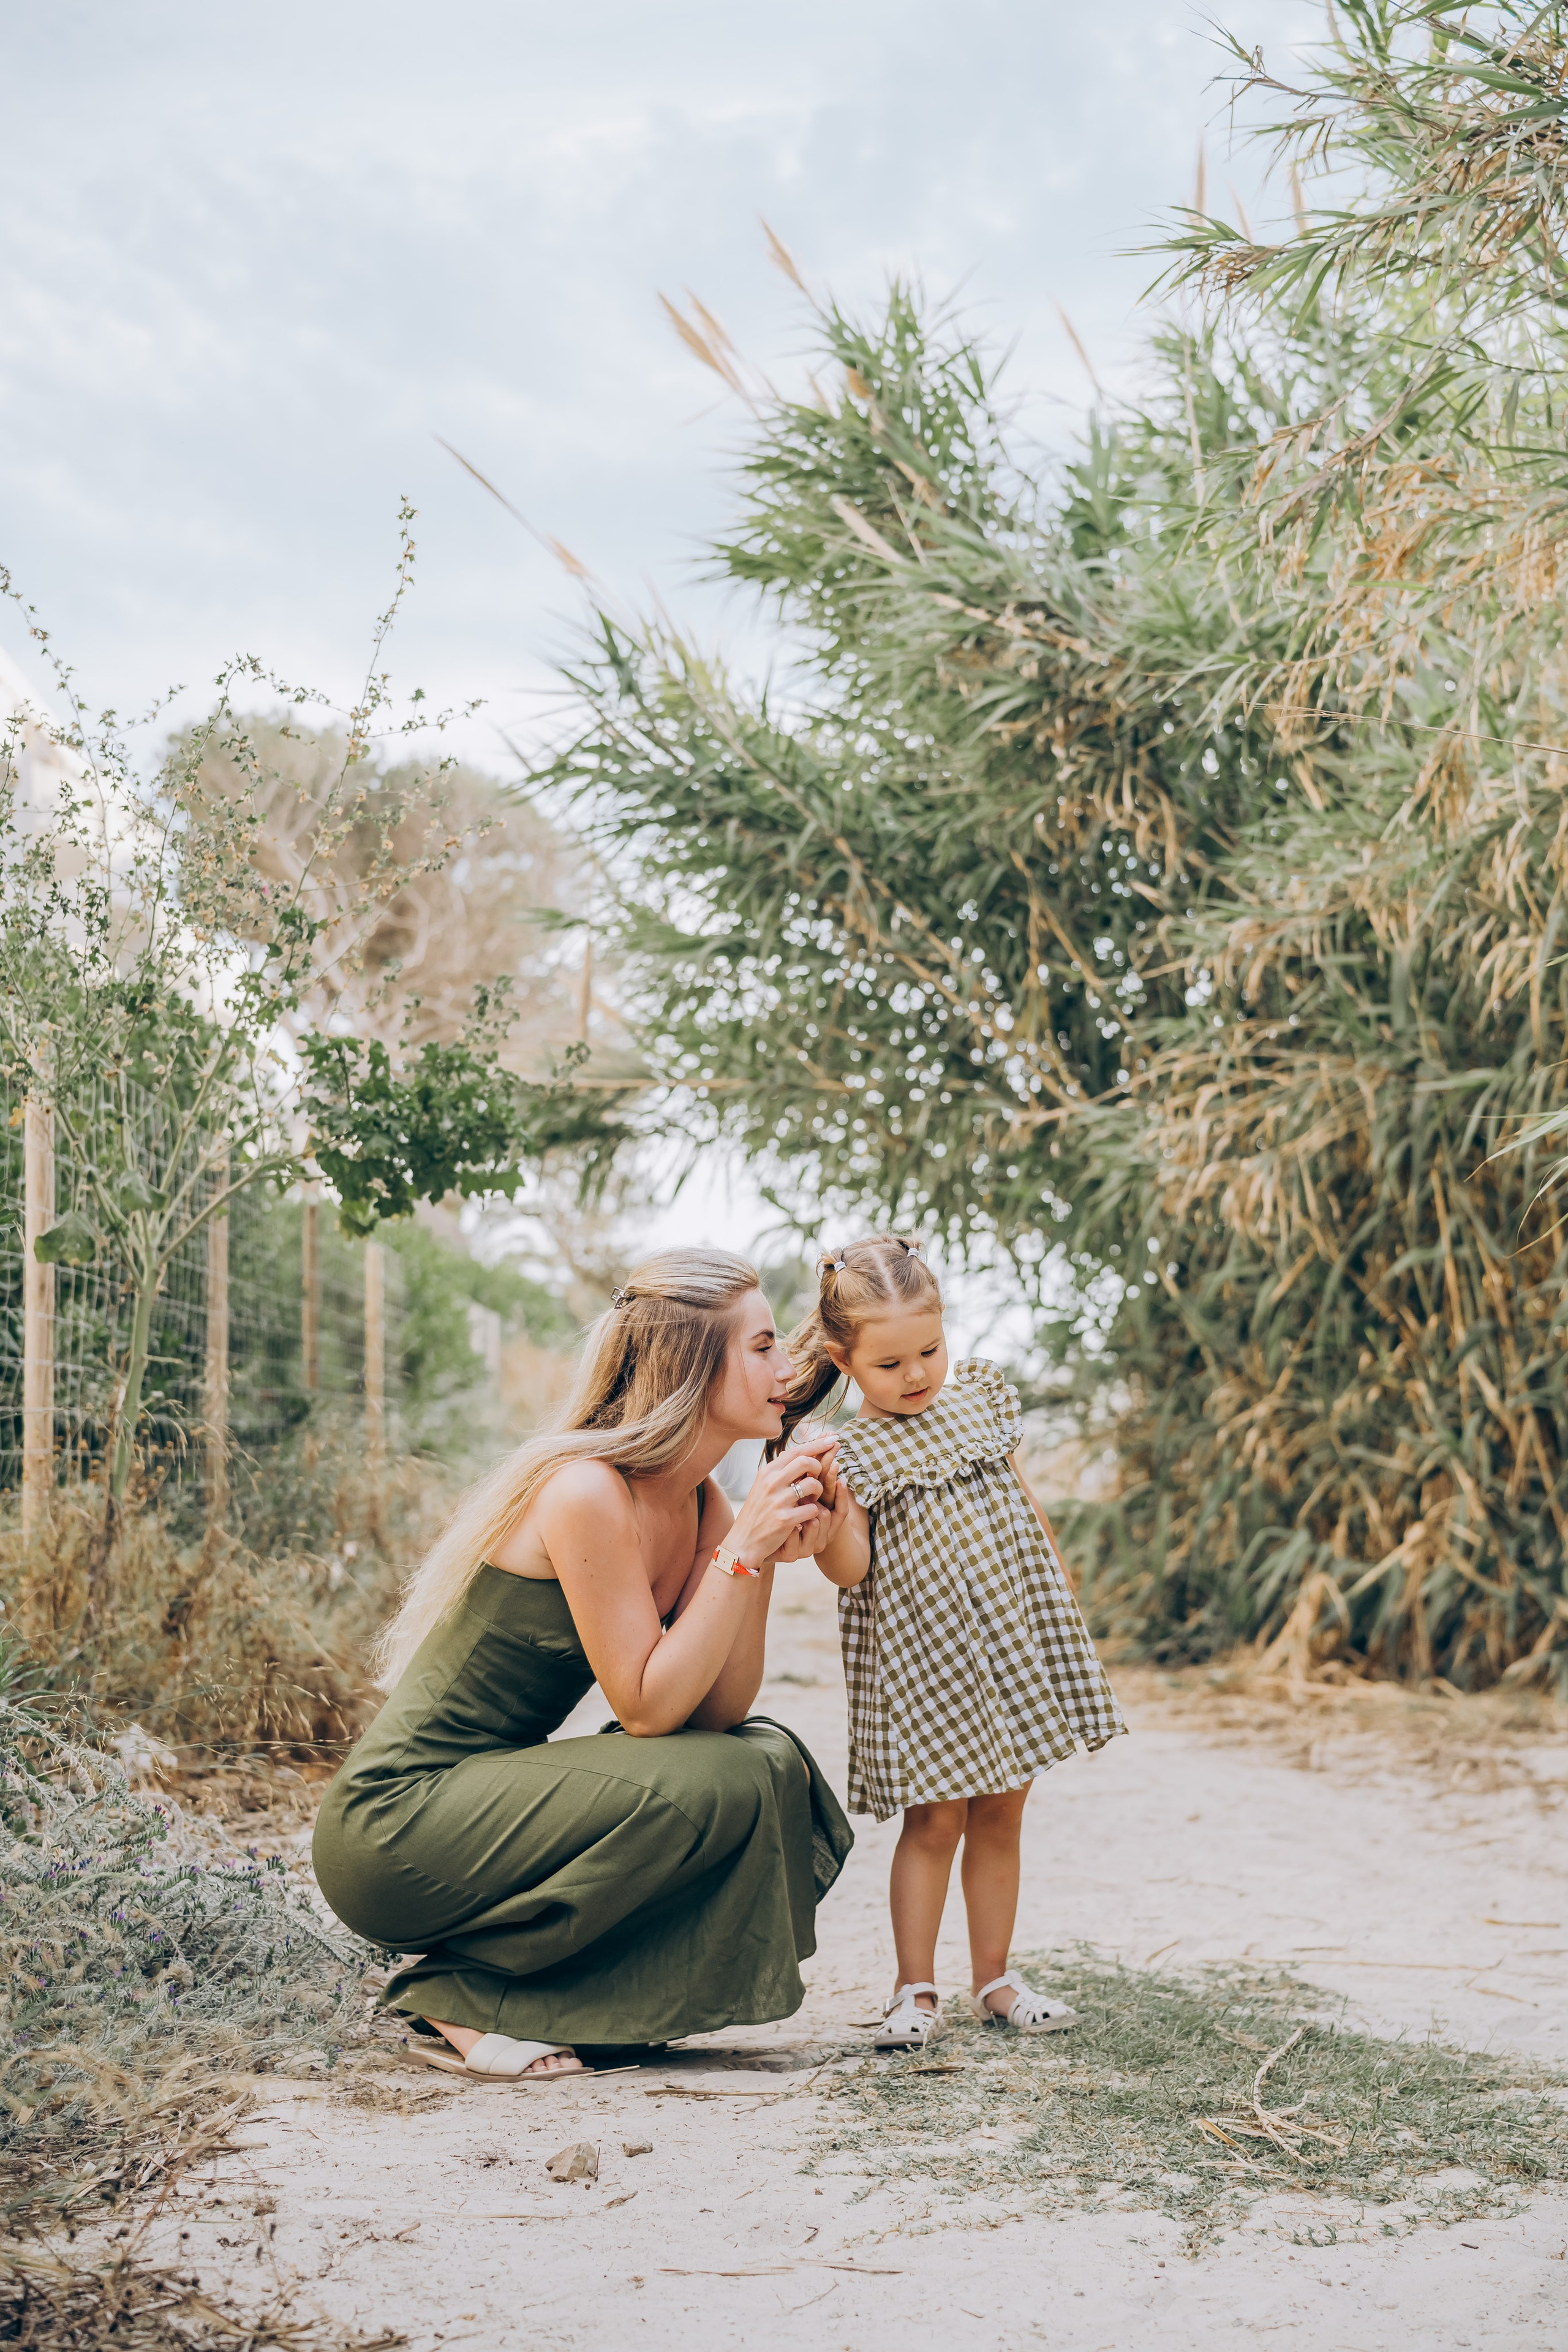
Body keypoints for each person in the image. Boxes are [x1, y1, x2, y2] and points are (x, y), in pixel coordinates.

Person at [313, 1250, 853, 2079]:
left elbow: (717, 1713)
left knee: (768, 1758)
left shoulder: (701, 1501)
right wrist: (741, 1553)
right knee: (729, 1778)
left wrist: (765, 1555)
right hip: (395, 1828)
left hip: (493, 1798)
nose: (788, 1368)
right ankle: (458, 1994)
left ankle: (550, 2001)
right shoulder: (587, 1492)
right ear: (689, 1367)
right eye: (762, 1347)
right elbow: (645, 1710)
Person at [784, 1235, 1126, 2051]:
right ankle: (915, 1988)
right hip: (925, 1659)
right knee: (936, 1820)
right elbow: (852, 1567)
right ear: (844, 1359)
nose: (917, 1376)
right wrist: (826, 1519)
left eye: (930, 1350)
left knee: (1005, 1811)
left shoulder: (976, 1403)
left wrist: (1058, 1599)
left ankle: (997, 1981)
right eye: (891, 1363)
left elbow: (1023, 1503)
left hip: (1009, 1642)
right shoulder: (849, 1448)